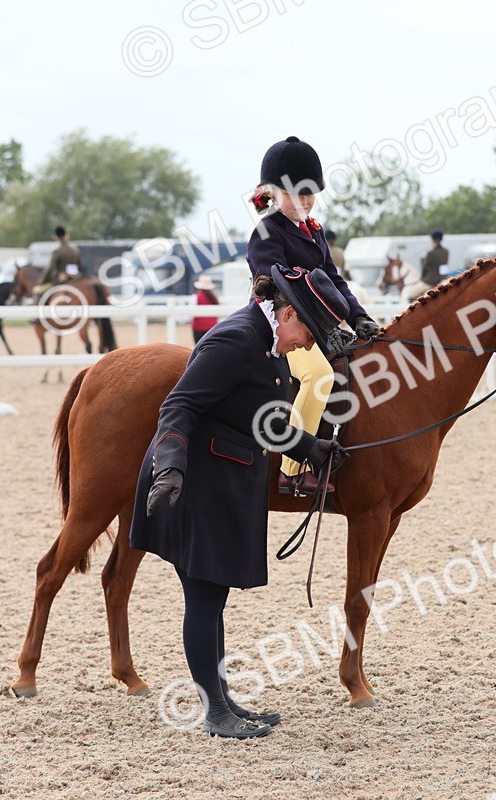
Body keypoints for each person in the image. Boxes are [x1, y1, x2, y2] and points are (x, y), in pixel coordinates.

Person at [131, 266, 351, 739]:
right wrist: (170, 465)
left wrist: (310, 448)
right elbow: (179, 406)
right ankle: (214, 713)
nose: (308, 346)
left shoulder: (267, 339)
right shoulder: (235, 339)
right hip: (193, 479)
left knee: (213, 596)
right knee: (205, 597)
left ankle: (223, 700)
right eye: (308, 334)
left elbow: (256, 416)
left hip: (222, 479)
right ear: (288, 313)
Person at [246, 136, 380, 495]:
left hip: (318, 327)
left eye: (310, 192)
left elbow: (333, 281)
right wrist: (324, 326)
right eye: (295, 193)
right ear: (272, 193)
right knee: (319, 375)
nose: (305, 200)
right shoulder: (266, 232)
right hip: (280, 329)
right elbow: (281, 287)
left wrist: (358, 318)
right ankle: (292, 469)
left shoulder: (315, 231)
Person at [404, 230, 449, 302]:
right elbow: (444, 266)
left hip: (429, 281)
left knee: (411, 294)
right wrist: (443, 278)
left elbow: (425, 269)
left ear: (433, 240)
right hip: (441, 280)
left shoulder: (430, 253)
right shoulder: (446, 251)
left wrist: (422, 278)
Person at [190, 275, 220, 343]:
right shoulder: (215, 297)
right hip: (213, 327)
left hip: (198, 327)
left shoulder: (195, 297)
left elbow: (191, 311)